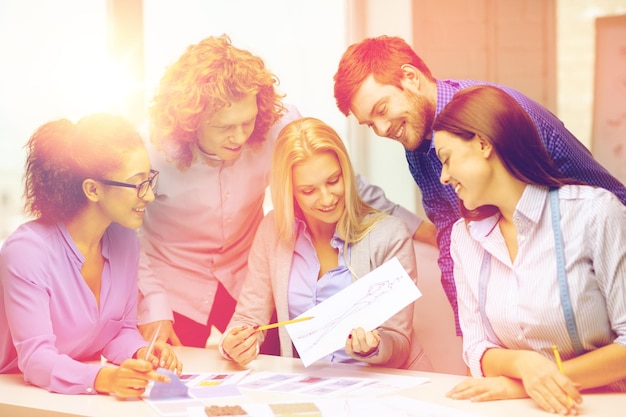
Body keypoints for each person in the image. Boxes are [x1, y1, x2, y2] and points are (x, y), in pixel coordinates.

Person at [137, 34, 429, 350]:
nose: (239, 138)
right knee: (173, 379)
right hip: (172, 284)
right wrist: (151, 302)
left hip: (244, 273)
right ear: (191, 122)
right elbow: (122, 234)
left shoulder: (278, 124)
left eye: (246, 123)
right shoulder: (151, 152)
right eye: (224, 128)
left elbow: (341, 181)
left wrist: (419, 228)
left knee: (277, 359)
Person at [333, 35, 626, 335]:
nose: (381, 130)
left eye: (381, 110)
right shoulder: (417, 141)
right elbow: (449, 235)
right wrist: (472, 341)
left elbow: (606, 203)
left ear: (410, 77)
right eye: (369, 124)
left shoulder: (497, 113)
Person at [432, 86, 626, 414]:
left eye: (447, 159)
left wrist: (527, 383)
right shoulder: (463, 238)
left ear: (483, 144)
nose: (444, 176)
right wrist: (524, 365)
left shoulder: (594, 212)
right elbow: (477, 349)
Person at [219, 117, 432, 371]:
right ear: (291, 191)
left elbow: (399, 342)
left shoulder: (389, 235)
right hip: (313, 386)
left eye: (333, 181)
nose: (327, 198)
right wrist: (235, 344)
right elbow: (248, 317)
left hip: (385, 385)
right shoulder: (273, 230)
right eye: (308, 190)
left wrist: (373, 347)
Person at [0, 114, 182, 397]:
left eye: (149, 180)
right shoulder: (27, 251)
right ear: (93, 189)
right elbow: (35, 359)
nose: (148, 196)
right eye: (138, 184)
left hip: (56, 396)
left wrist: (141, 352)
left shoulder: (125, 241)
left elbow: (119, 329)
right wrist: (104, 379)